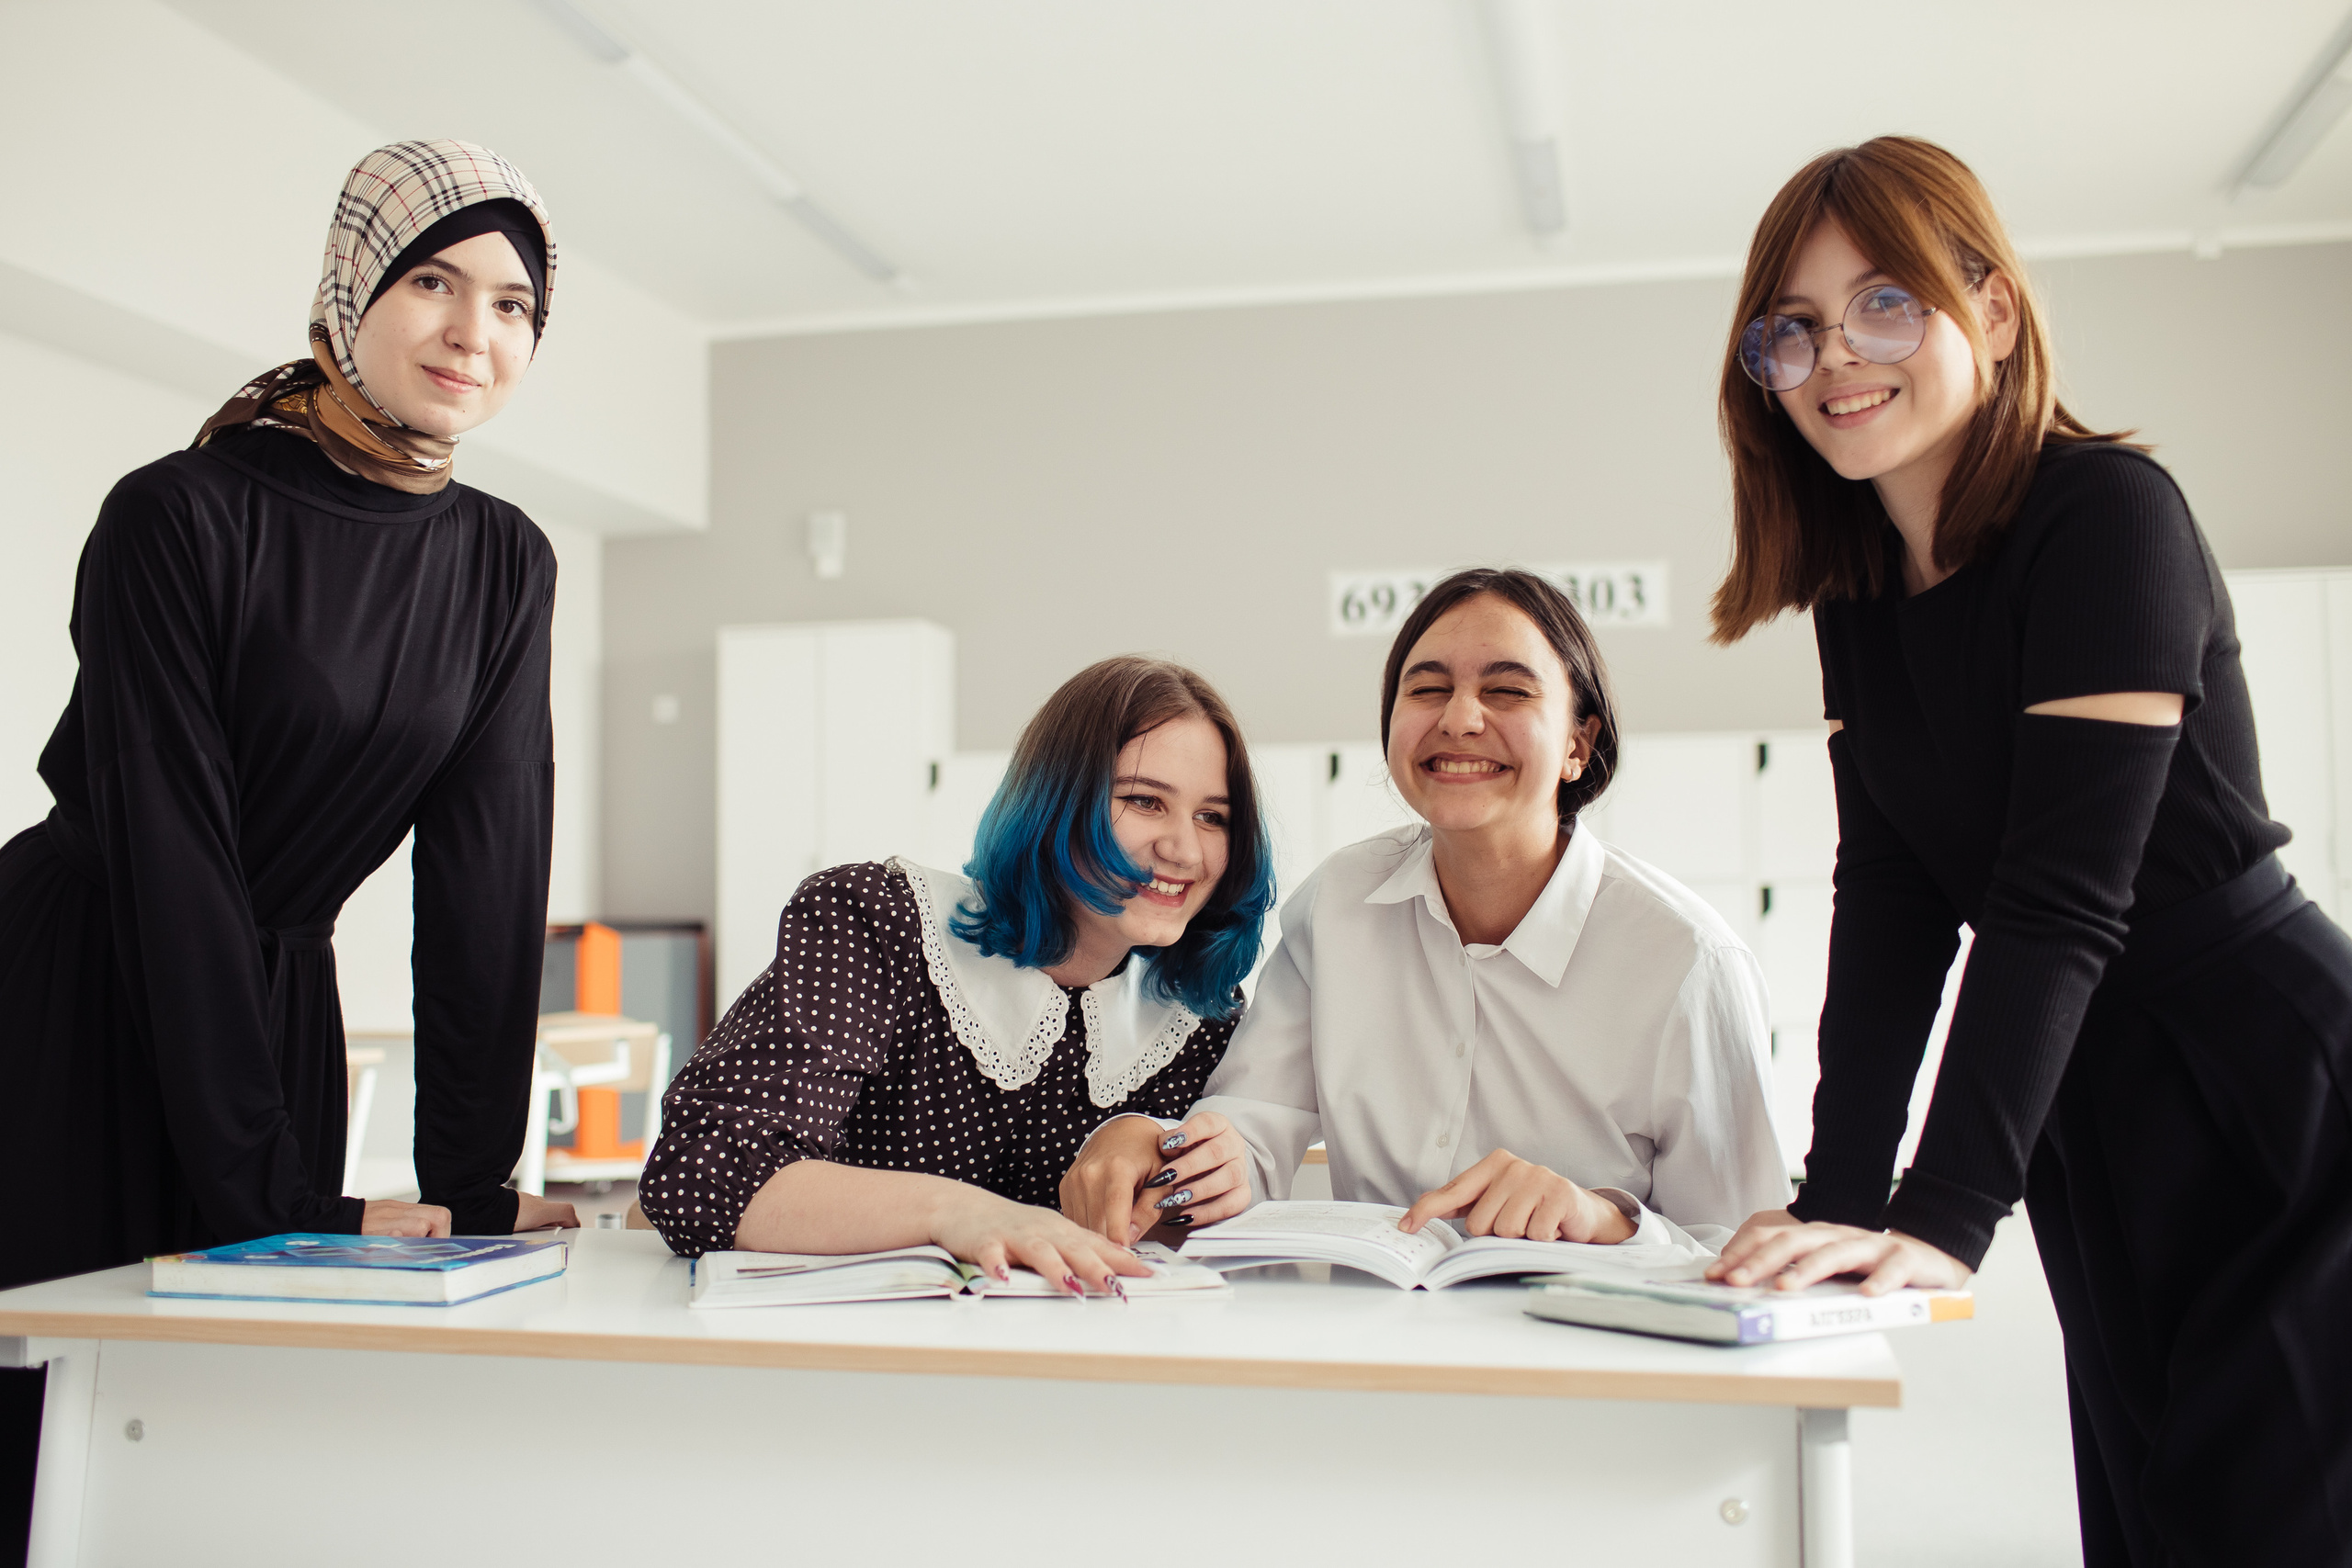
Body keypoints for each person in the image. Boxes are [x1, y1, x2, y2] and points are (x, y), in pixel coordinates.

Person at [1702, 136, 2352, 1565]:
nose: (1834, 357)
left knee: (2277, 1513)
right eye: (1791, 327)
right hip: (2093, 1102)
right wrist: (1840, 1198)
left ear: (1991, 312)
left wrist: (1939, 1215)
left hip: (2264, 1084)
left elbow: (2060, 899)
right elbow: (1891, 898)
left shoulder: (2109, 517)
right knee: (2151, 1514)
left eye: (1885, 302)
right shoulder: (1860, 595)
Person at [0, 140, 582, 1293]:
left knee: (239, 1407)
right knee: (53, 1402)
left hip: (275, 1020)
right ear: (350, 286)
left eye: (512, 303)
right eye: (432, 281)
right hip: (78, 992)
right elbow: (173, 845)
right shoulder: (178, 513)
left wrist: (469, 1178)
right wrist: (270, 1192)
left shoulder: (503, 559)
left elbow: (490, 872)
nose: (475, 331)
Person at [1069, 570, 1788, 1252]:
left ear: (1579, 742)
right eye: (1427, 687)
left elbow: (1746, 1250)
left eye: (1507, 690)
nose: (1460, 717)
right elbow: (1252, 1131)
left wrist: (1605, 1220)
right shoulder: (1339, 904)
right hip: (1376, 1350)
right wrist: (1160, 1143)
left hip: (1585, 1365)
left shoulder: (1688, 961)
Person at [638, 656, 1275, 1295]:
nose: (1186, 850)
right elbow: (701, 1174)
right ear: (1055, 800)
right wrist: (963, 1213)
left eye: (1212, 817)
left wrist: (1199, 1187)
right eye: (1144, 799)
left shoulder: (1199, 1014)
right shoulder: (876, 923)